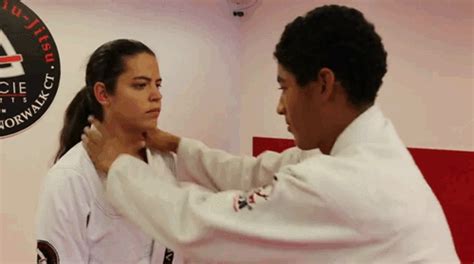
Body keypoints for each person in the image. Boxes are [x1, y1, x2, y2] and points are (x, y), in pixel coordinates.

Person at [82, 5, 459, 263]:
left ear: (323, 84)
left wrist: (118, 167)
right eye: (140, 85)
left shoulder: (344, 182)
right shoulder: (363, 147)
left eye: (284, 87)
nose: (281, 107)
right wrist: (180, 146)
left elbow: (197, 224)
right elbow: (254, 173)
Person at [36, 39, 182, 263]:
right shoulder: (70, 177)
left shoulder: (165, 160)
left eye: (158, 84)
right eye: (141, 85)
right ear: (103, 94)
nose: (156, 95)